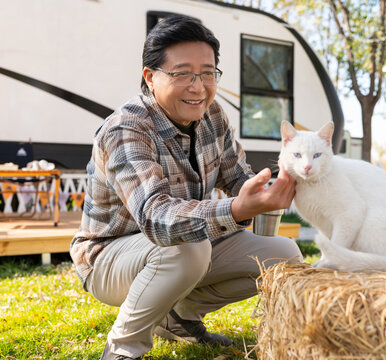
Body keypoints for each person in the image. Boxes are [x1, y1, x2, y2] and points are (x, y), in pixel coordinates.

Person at [70, 15, 302, 360]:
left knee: (283, 255)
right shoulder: (126, 128)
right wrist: (237, 209)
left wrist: (269, 187)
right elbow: (156, 218)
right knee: (189, 248)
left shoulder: (212, 115)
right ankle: (122, 349)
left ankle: (179, 318)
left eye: (208, 73)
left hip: (183, 247)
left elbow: (237, 176)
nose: (198, 86)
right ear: (150, 77)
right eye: (182, 74)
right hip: (108, 258)